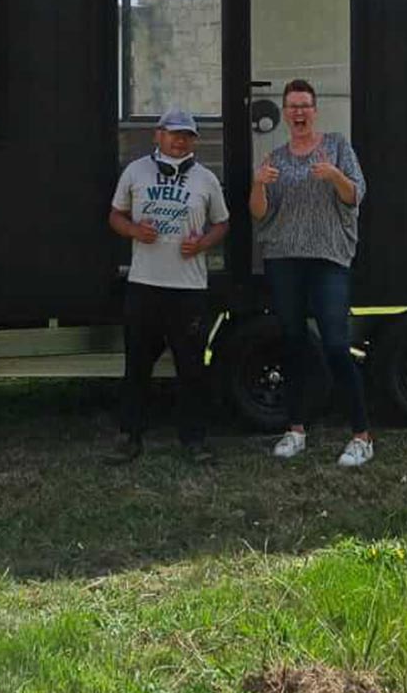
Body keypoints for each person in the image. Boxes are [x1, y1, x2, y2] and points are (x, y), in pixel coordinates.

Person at [249, 78, 373, 468]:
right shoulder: (276, 159)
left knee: (336, 344)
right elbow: (259, 214)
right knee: (294, 342)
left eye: (305, 105)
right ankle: (296, 429)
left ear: (315, 110)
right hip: (285, 258)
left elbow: (356, 195)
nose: (298, 112)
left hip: (329, 258)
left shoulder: (337, 146)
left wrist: (334, 175)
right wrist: (257, 184)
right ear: (285, 113)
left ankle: (362, 435)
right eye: (292, 106)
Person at [107, 108, 230, 463]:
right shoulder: (135, 171)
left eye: (187, 135)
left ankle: (194, 441)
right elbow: (115, 215)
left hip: (189, 289)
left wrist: (204, 243)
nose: (180, 141)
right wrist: (134, 231)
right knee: (137, 366)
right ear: (157, 135)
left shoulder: (206, 179)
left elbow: (222, 223)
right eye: (173, 133)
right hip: (144, 285)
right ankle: (130, 437)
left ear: (195, 140)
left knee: (191, 367)